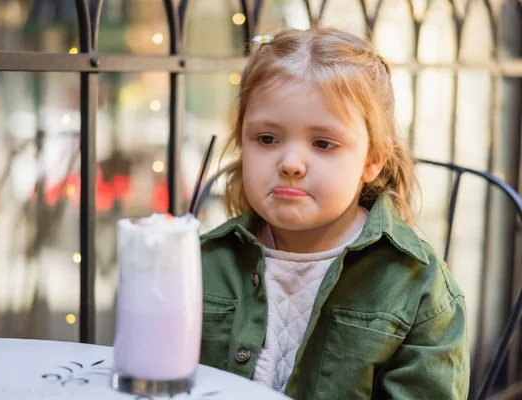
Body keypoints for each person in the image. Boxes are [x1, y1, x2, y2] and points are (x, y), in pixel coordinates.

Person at [199, 27, 469, 399]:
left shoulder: (419, 288)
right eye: (266, 139)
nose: (291, 163)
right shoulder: (200, 262)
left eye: (323, 143)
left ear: (372, 159)